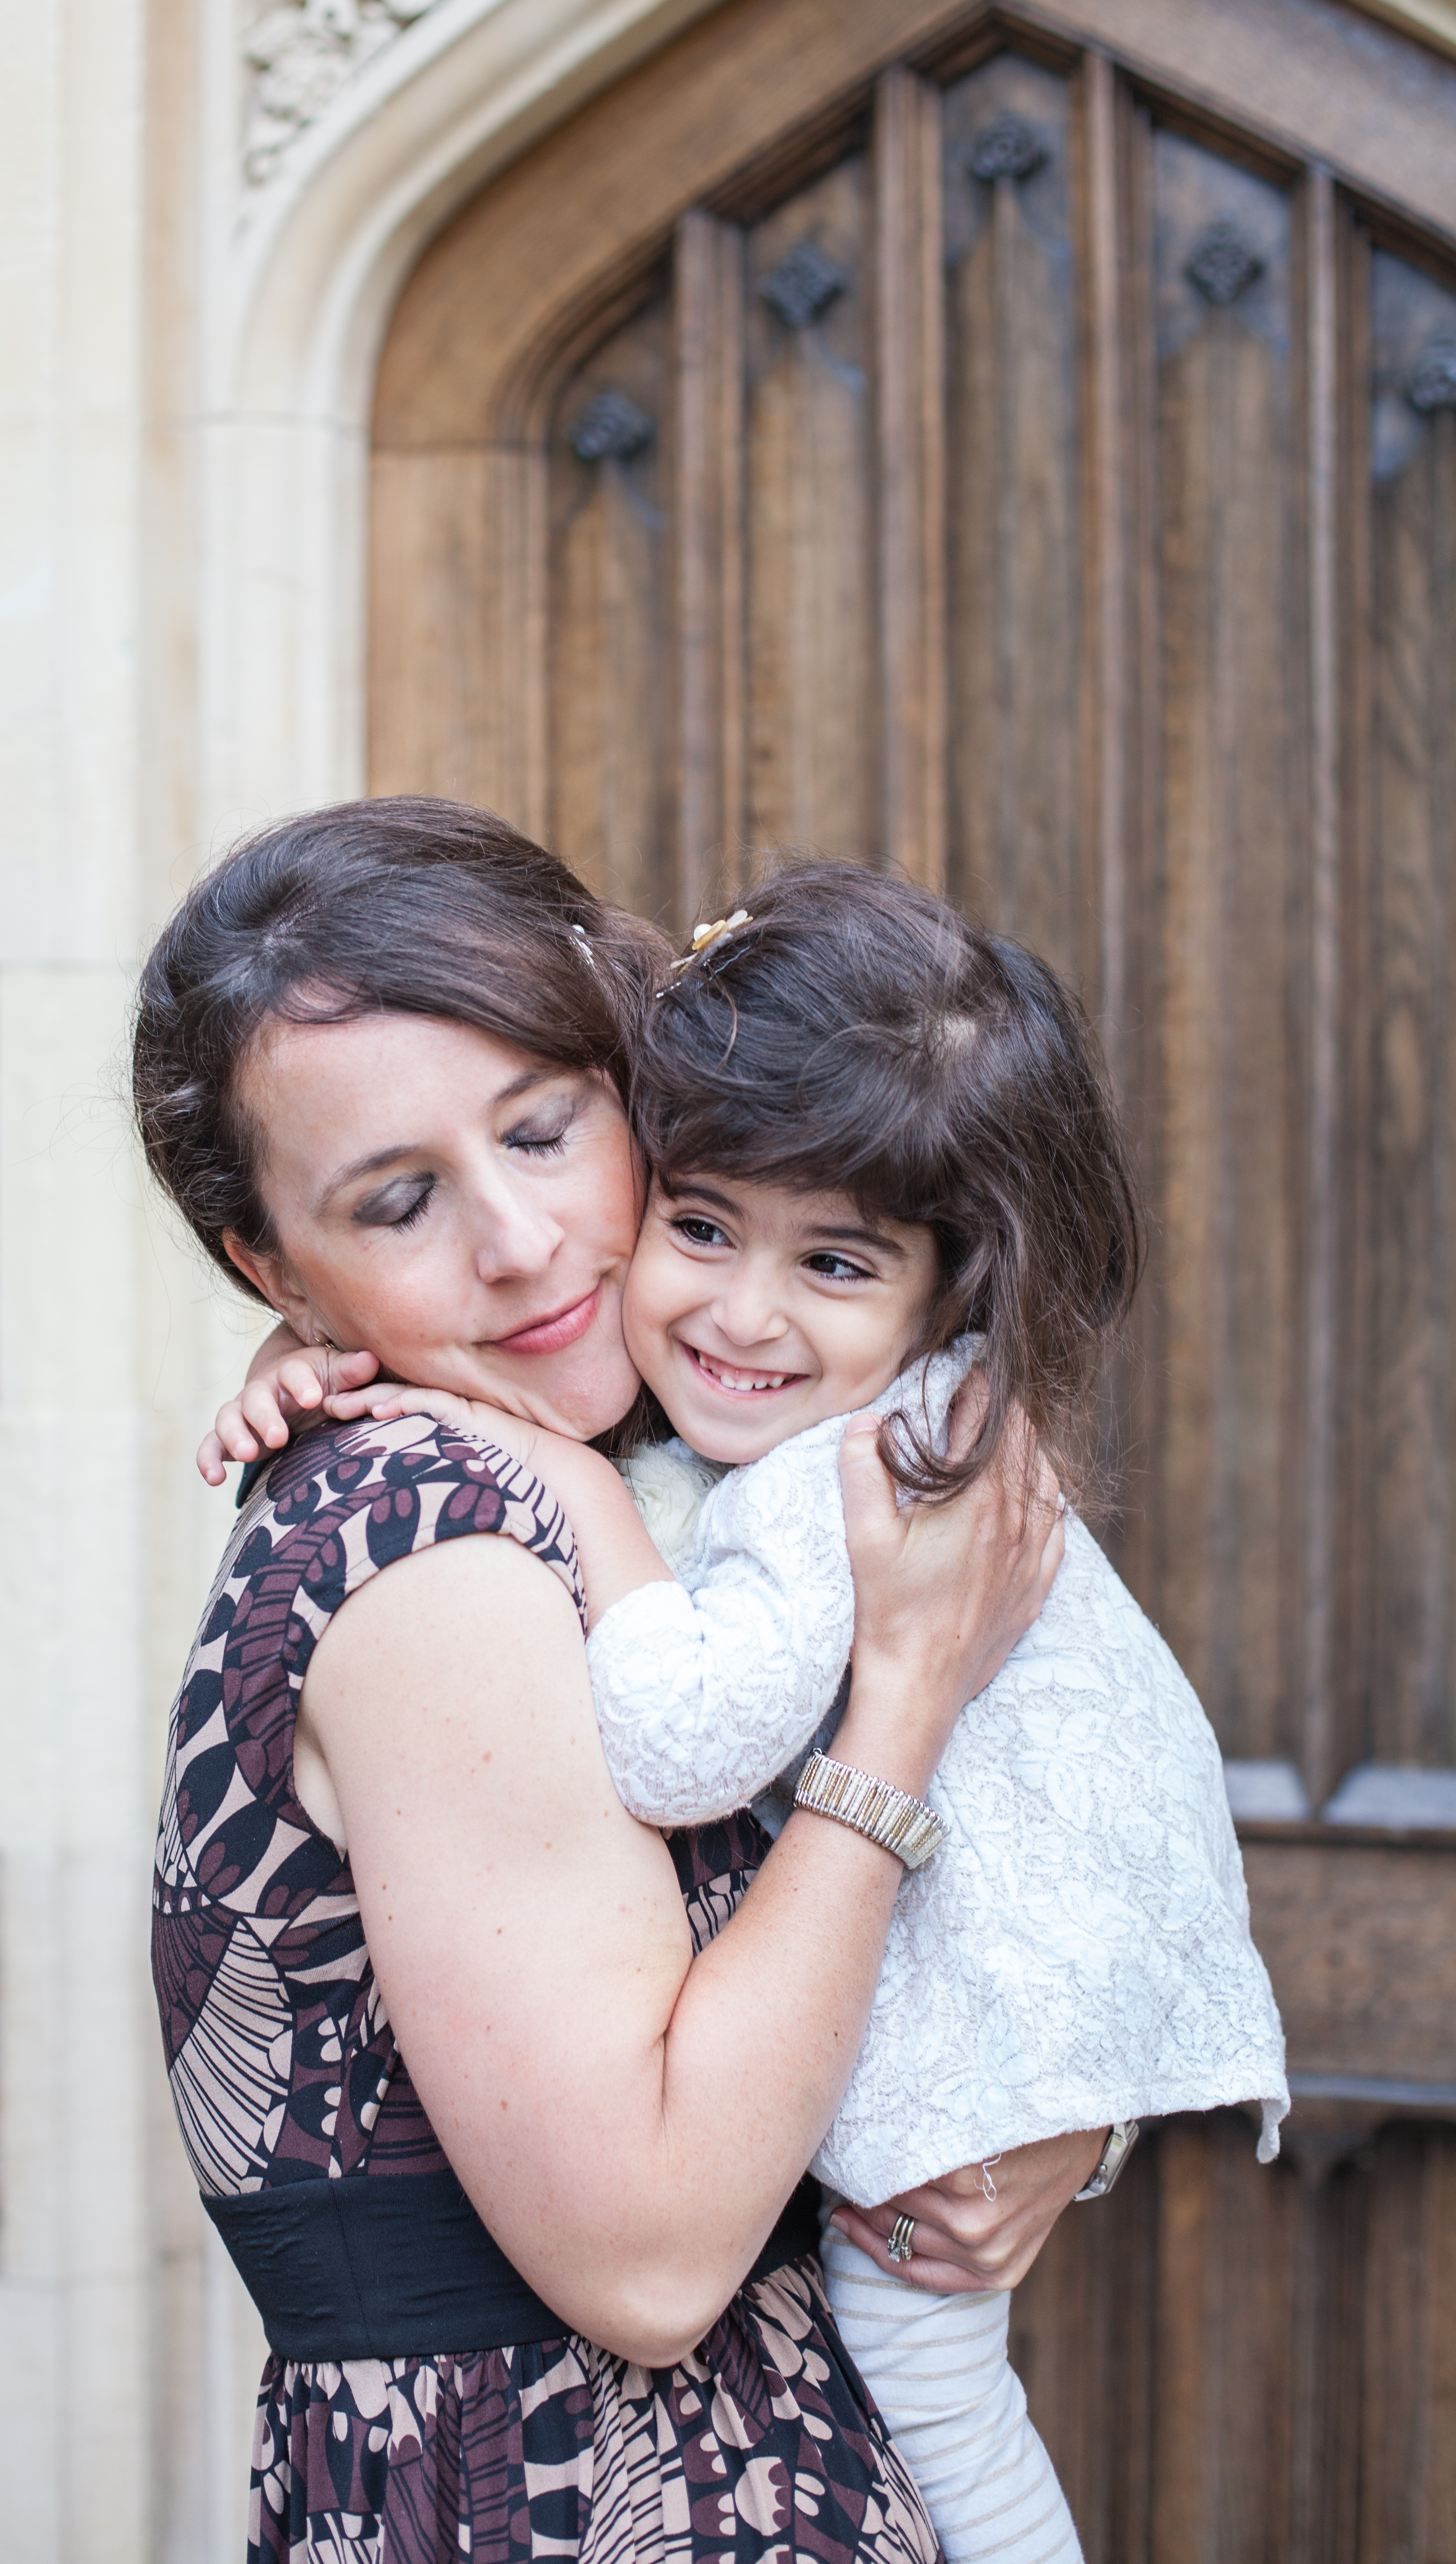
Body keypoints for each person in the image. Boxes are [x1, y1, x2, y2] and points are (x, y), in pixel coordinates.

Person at [137, 798, 1100, 2564]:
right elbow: (652, 2259)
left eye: (545, 1128)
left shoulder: (690, 1447)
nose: (517, 1244)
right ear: (271, 1267)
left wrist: (1049, 2119)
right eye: (399, 1200)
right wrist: (905, 1694)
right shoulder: (446, 1549)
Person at [317, 863, 1287, 2563]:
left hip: (1011, 1977)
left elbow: (685, 1735)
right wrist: (318, 1351)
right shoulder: (845, 1422)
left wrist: (557, 1483)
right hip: (1042, 1947)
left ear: (945, 1294)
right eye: (701, 1228)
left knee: (931, 2366)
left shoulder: (848, 1489)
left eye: (834, 1262)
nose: (744, 1314)